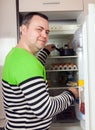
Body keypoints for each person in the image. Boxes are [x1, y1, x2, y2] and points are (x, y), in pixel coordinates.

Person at [2, 12, 79, 130]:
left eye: (47, 32)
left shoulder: (17, 55)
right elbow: (45, 110)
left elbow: (34, 66)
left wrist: (46, 51)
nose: (45, 35)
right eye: (39, 29)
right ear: (23, 29)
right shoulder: (25, 62)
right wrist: (71, 94)